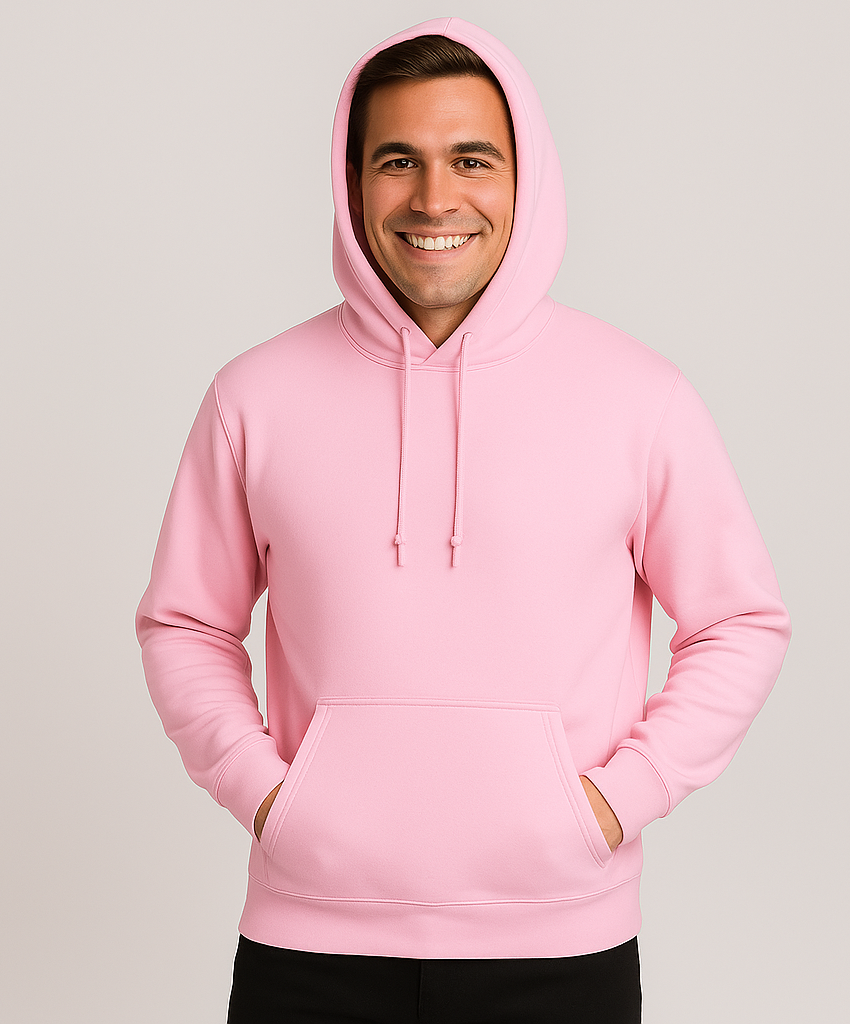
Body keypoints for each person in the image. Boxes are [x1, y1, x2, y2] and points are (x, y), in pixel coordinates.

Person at [136, 17, 791, 1024]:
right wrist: (267, 794)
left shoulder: (638, 398)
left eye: (471, 159)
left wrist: (615, 802)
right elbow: (184, 622)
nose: (434, 199)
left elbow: (739, 622)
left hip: (559, 940)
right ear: (352, 181)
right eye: (397, 160)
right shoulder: (252, 397)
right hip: (309, 942)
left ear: (526, 180)